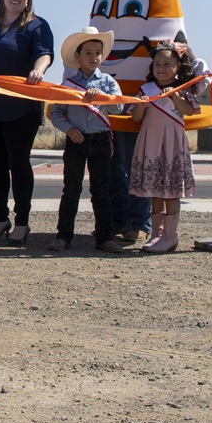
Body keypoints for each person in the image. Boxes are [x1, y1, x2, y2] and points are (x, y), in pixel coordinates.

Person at [0, 0, 54, 247]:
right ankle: (0, 219)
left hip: (22, 107)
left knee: (19, 163)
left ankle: (21, 222)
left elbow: (44, 53)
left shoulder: (37, 26)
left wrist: (38, 69)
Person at [49, 28, 125, 254]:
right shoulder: (69, 85)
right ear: (78, 56)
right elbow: (56, 113)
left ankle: (104, 237)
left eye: (98, 53)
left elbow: (119, 108)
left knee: (101, 191)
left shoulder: (109, 82)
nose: (94, 57)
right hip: (76, 141)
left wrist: (101, 98)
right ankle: (63, 236)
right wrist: (69, 129)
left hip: (101, 141)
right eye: (89, 53)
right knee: (71, 189)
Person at [129, 42, 200, 254]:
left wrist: (175, 96)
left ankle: (170, 236)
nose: (161, 68)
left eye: (167, 64)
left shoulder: (183, 88)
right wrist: (141, 105)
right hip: (151, 143)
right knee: (155, 192)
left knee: (171, 191)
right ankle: (157, 234)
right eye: (157, 64)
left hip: (172, 143)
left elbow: (190, 111)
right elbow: (136, 118)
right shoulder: (146, 90)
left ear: (177, 66)